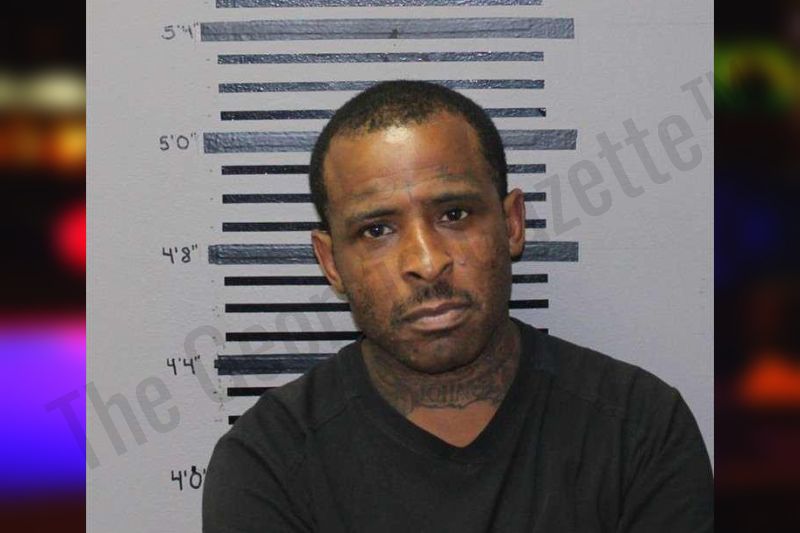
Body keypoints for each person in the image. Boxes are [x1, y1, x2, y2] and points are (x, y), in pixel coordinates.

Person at [203, 80, 713, 532]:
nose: (427, 263)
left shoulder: (638, 427)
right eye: (376, 230)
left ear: (512, 224)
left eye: (455, 214)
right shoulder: (269, 461)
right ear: (331, 262)